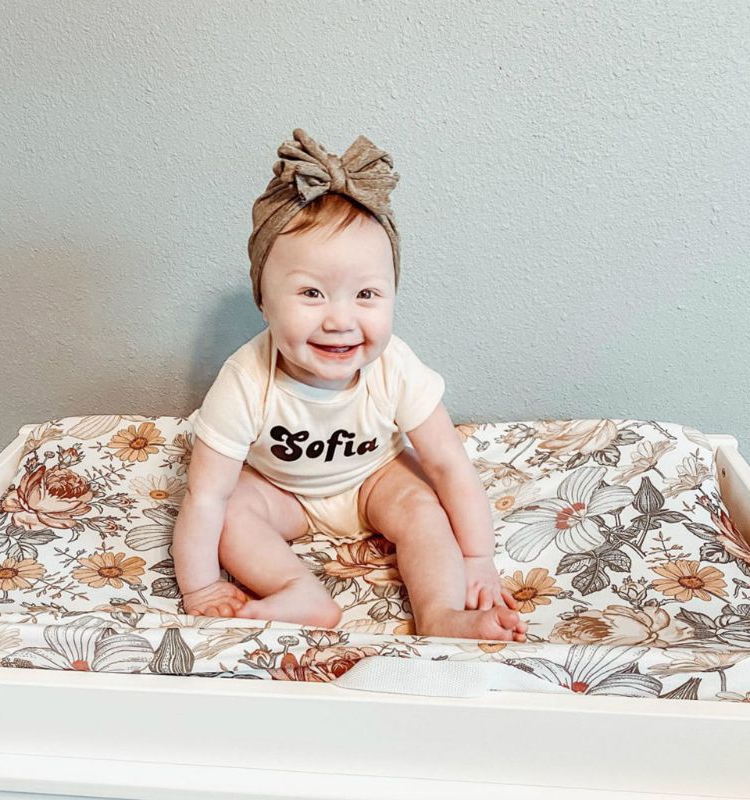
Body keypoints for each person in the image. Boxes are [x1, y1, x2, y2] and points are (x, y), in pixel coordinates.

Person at [171, 128, 527, 642]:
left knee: (423, 507)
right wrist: (201, 588)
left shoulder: (395, 366)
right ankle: (300, 592)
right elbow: (205, 494)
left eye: (366, 294)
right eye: (311, 293)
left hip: (373, 481)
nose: (340, 320)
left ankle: (441, 613)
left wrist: (477, 557)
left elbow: (449, 465)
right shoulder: (246, 379)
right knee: (229, 509)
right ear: (264, 301)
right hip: (283, 491)